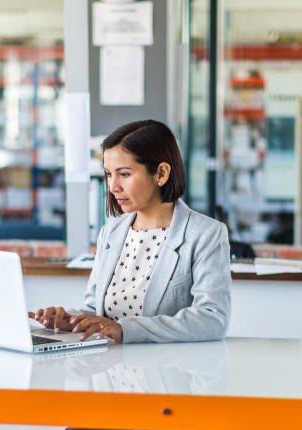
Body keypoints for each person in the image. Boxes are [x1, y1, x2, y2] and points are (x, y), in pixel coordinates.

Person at [29, 119, 231, 345]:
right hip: (109, 370)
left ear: (161, 174)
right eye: (108, 174)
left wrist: (125, 330)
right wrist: (70, 321)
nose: (113, 186)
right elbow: (94, 311)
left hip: (165, 373)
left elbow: (212, 320)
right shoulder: (111, 232)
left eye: (124, 174)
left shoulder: (205, 234)